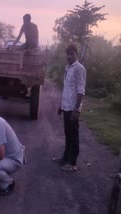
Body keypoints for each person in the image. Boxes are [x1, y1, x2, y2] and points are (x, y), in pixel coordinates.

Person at [54, 44, 86, 172]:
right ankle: (65, 158)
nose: (68, 56)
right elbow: (67, 88)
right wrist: (61, 105)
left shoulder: (80, 68)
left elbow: (80, 90)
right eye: (67, 54)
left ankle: (73, 163)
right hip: (66, 107)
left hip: (73, 108)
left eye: (71, 54)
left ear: (76, 54)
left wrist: (76, 110)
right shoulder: (67, 68)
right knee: (67, 134)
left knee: (74, 135)